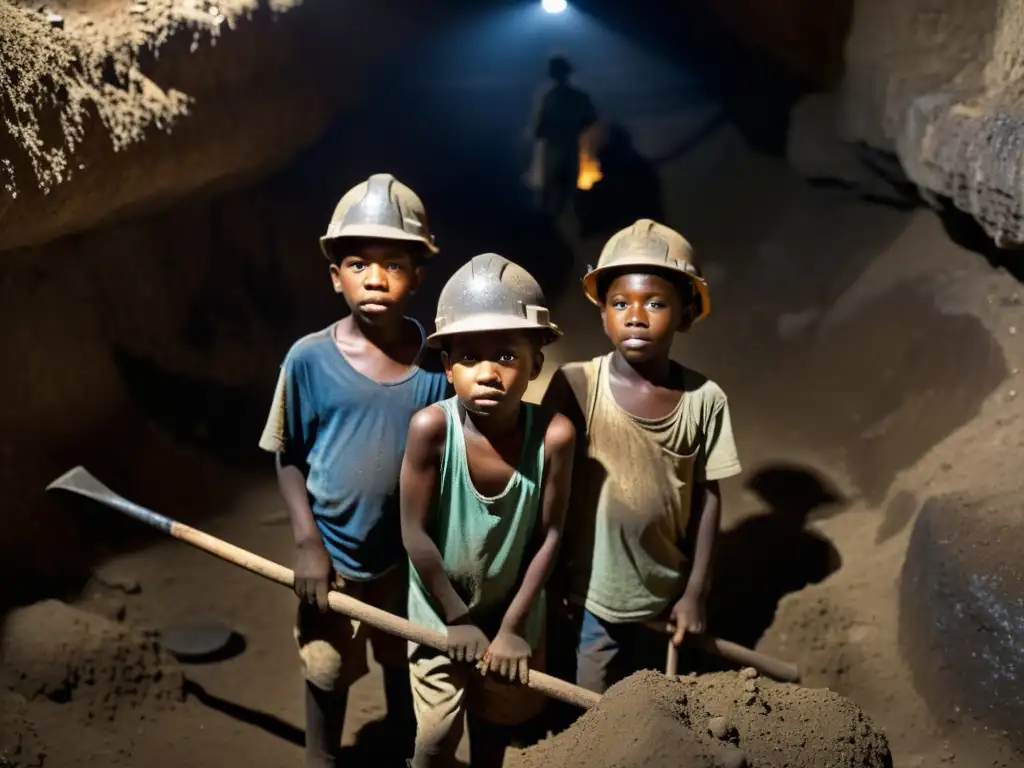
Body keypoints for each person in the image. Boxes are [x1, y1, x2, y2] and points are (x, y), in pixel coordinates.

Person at [258, 173, 450, 768]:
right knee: (326, 664)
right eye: (358, 263)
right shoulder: (309, 358)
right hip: (333, 558)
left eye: (393, 264)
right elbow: (287, 452)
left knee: (405, 659)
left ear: (418, 277)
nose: (374, 277)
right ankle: (322, 758)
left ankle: (397, 743)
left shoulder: (439, 363)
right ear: (335, 275)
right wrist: (307, 544)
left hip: (408, 559)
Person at [542, 218, 742, 695]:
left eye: (655, 302)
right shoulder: (575, 386)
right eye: (619, 303)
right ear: (603, 314)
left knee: (651, 701)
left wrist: (696, 591)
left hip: (664, 590)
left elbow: (708, 497)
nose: (636, 315)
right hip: (592, 592)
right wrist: (551, 572)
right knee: (593, 707)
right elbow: (543, 485)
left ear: (687, 313)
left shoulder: (704, 398)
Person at [400, 253, 576, 768]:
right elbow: (413, 531)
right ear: (447, 366)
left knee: (499, 727)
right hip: (438, 611)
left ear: (536, 364)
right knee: (433, 740)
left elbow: (549, 537)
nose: (488, 374)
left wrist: (514, 627)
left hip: (513, 609)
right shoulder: (431, 430)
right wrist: (455, 619)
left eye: (506, 356)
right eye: (470, 358)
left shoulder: (553, 437)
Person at [529, 55, 598, 219]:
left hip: (555, 151)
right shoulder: (578, 97)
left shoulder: (549, 97)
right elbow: (590, 119)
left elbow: (539, 129)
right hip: (568, 148)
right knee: (566, 192)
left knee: (553, 191)